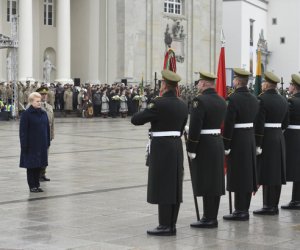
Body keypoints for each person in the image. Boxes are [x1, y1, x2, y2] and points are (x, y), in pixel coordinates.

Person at [131, 70, 188, 236]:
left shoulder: (159, 103)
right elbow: (183, 124)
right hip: (176, 146)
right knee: (175, 184)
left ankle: (164, 225)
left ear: (164, 85)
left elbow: (136, 120)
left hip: (162, 148)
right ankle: (172, 224)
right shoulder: (183, 104)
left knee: (163, 184)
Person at [186, 71, 227, 228]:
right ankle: (212, 216)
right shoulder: (221, 100)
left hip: (204, 144)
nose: (197, 85)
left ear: (203, 83)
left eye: (199, 83)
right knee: (215, 181)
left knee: (205, 179)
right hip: (217, 142)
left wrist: (191, 147)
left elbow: (196, 126)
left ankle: (208, 218)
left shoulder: (199, 101)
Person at [222, 68, 259, 221]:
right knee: (248, 174)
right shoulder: (254, 98)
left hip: (237, 139)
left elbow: (229, 123)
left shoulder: (233, 99)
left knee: (237, 174)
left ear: (237, 81)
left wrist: (226, 145)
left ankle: (239, 211)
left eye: (235, 79)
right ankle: (245, 209)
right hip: (250, 138)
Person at [253, 72, 289, 215]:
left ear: (267, 84)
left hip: (266, 138)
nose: (261, 85)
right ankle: (274, 205)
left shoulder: (262, 99)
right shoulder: (283, 100)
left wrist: (258, 144)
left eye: (263, 83)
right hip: (279, 137)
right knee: (277, 172)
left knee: (267, 171)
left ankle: (268, 206)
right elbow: (286, 123)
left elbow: (259, 124)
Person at [19, 92, 50, 192]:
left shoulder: (43, 113)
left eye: (40, 101)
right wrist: (24, 145)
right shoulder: (26, 114)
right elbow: (23, 132)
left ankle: (37, 184)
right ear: (31, 102)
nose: (39, 103)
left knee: (39, 165)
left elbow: (47, 128)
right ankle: (32, 186)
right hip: (31, 145)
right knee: (31, 166)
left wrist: (47, 141)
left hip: (41, 145)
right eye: (37, 101)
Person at [281, 74, 300, 210]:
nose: (289, 87)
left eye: (291, 85)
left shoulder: (292, 101)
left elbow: (285, 121)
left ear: (295, 87)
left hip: (294, 136)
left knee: (295, 169)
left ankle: (296, 200)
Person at [36, 86, 54, 181]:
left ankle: (43, 173)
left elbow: (52, 123)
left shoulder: (49, 107)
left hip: (47, 136)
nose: (44, 96)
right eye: (42, 94)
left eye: (45, 94)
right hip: (39, 136)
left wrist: (52, 135)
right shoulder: (36, 106)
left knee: (45, 155)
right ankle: (37, 174)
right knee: (39, 155)